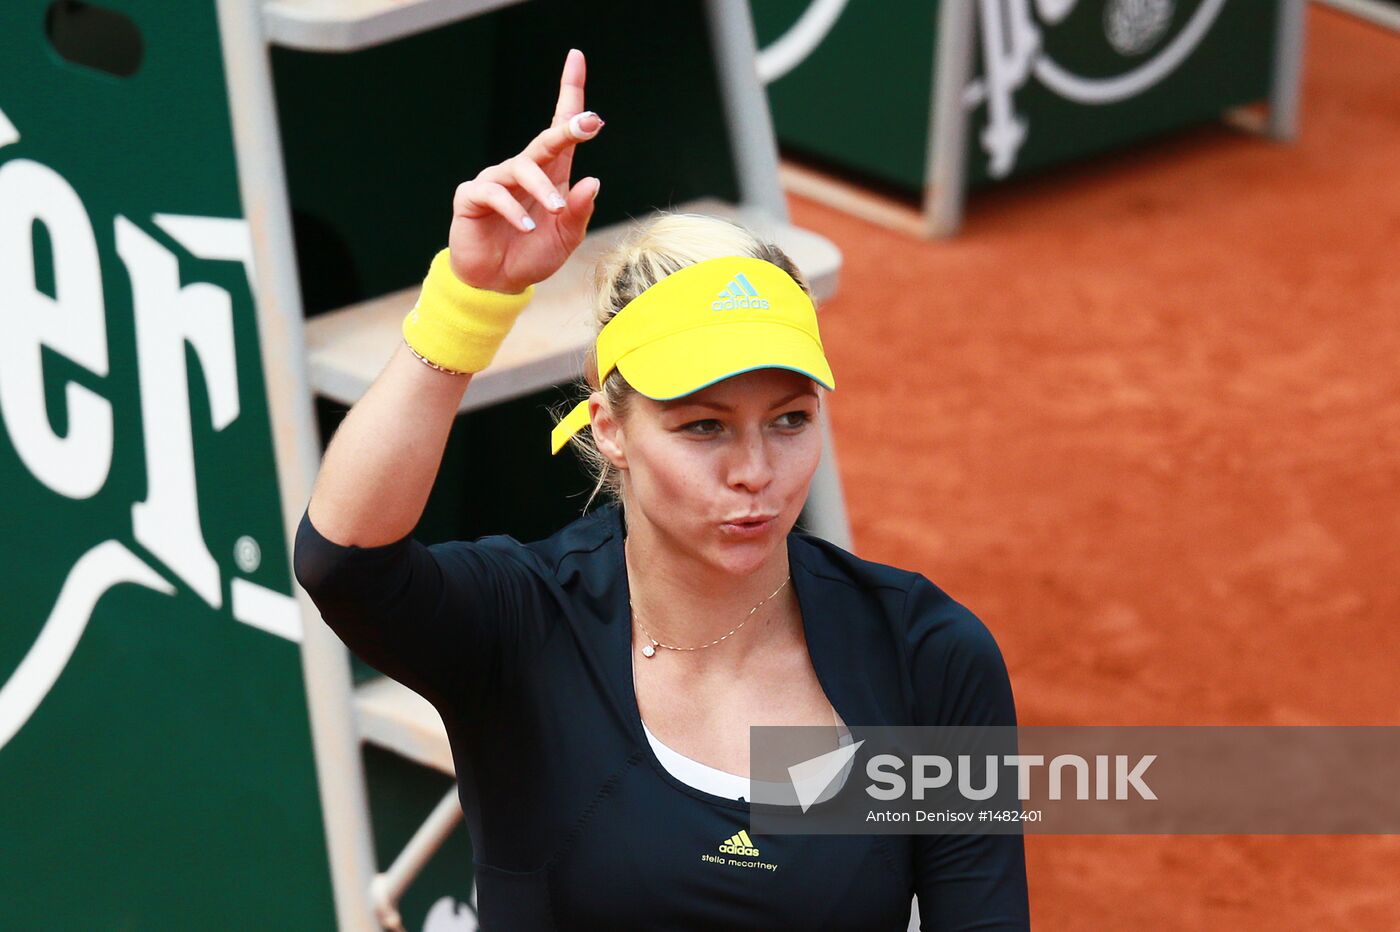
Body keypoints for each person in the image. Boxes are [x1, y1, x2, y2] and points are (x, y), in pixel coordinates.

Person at [293, 48, 1029, 931]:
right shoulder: (523, 628)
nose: (755, 470)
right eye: (704, 427)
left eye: (790, 419)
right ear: (610, 428)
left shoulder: (928, 660)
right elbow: (344, 563)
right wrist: (467, 302)